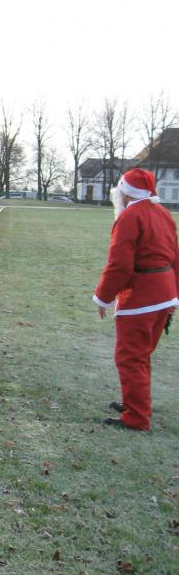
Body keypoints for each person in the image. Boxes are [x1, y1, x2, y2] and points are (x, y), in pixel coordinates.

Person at [94, 167, 179, 431]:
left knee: (131, 356)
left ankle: (137, 416)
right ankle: (136, 403)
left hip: (142, 296)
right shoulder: (163, 213)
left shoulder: (130, 217)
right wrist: (174, 297)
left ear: (126, 193)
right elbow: (175, 257)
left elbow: (120, 265)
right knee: (141, 355)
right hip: (164, 293)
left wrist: (103, 297)